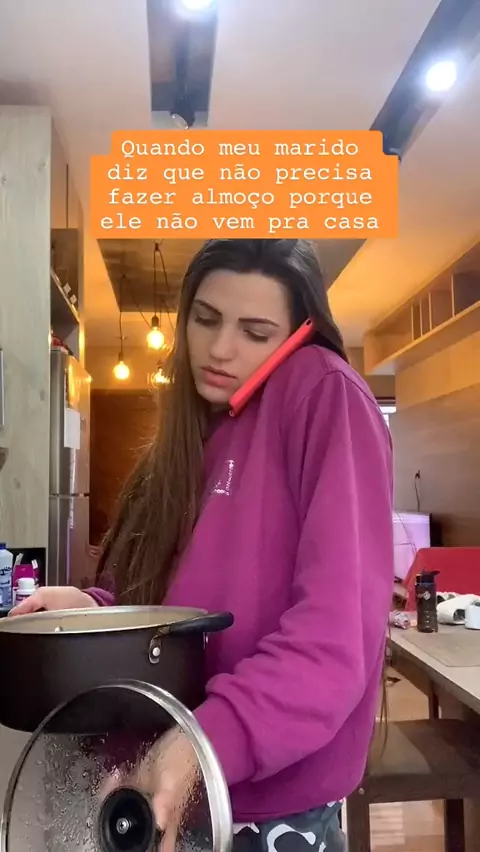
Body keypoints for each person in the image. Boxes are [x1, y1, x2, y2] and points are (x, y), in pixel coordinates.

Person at [11, 239, 394, 852]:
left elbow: (333, 637)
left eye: (255, 332)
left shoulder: (324, 394)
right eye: (206, 319)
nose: (220, 349)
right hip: (154, 785)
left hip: (260, 809)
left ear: (300, 333)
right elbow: (178, 601)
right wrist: (97, 611)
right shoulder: (199, 431)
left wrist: (207, 739)